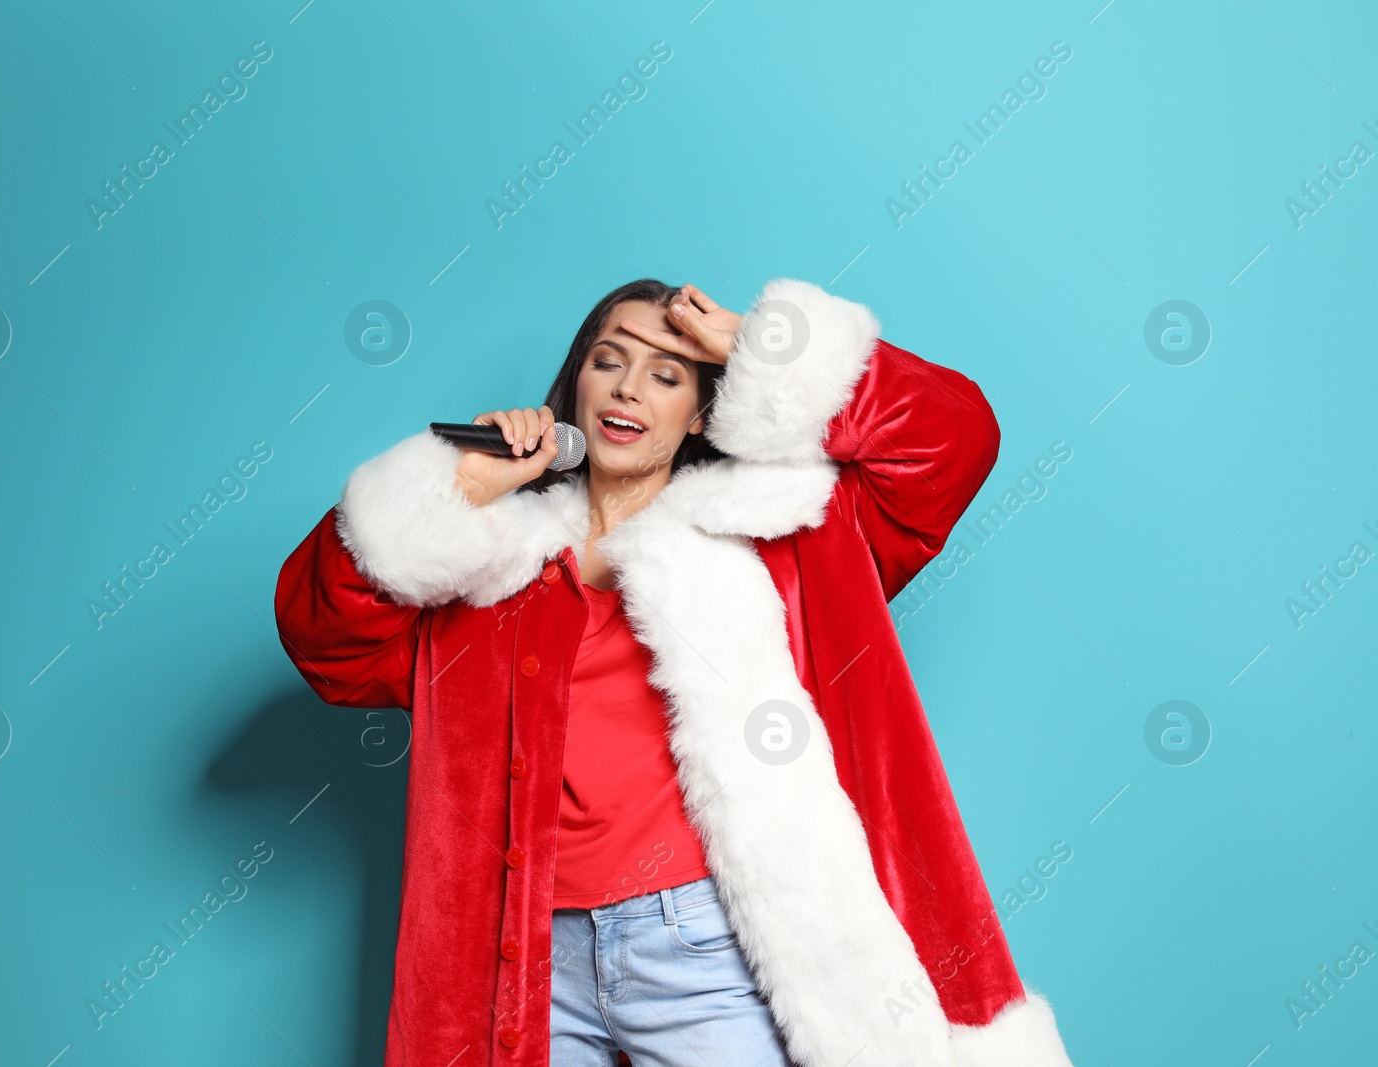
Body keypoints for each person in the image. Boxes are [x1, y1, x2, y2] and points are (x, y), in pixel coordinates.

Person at [274, 277, 1077, 1067]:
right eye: (608, 361)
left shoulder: (781, 538)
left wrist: (770, 352)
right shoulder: (490, 575)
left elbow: (952, 437)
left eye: (665, 374)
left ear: (700, 412)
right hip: (526, 961)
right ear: (575, 386)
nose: (628, 389)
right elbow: (327, 641)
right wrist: (458, 486)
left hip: (702, 945)